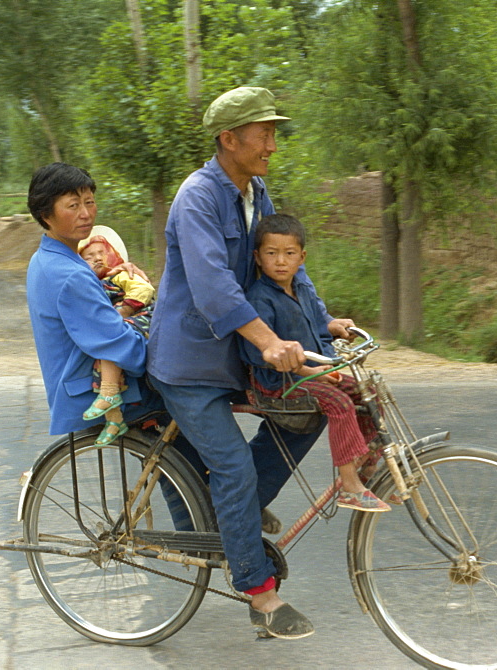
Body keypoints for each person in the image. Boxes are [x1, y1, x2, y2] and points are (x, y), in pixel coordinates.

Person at [147, 86, 355, 640]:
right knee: (234, 468)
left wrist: (322, 321)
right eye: (263, 132)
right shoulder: (197, 196)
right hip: (190, 361)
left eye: (273, 132)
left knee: (308, 412)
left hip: (235, 355)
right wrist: (268, 342)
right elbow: (214, 287)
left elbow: (286, 266)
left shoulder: (255, 190)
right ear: (229, 138)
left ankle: (229, 521)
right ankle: (260, 594)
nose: (272, 143)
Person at [241, 214, 390, 512]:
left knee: (369, 392)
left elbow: (317, 318)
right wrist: (310, 373)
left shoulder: (302, 288)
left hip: (312, 374)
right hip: (280, 383)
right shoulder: (259, 299)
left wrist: (333, 325)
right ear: (257, 258)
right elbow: (260, 353)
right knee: (339, 402)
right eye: (271, 254)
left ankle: (366, 464)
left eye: (289, 254)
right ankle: (349, 486)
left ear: (302, 257)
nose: (281, 261)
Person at [26, 164, 148, 438]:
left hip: (73, 385)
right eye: (73, 206)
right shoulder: (68, 274)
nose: (85, 214)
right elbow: (119, 343)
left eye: (89, 203)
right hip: (89, 394)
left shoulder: (47, 258)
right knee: (198, 401)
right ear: (46, 215)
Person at [76, 226, 156, 445]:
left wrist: (123, 312)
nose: (97, 259)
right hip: (120, 323)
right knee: (101, 363)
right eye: (89, 256)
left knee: (112, 341)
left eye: (101, 253)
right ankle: (114, 419)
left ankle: (109, 393)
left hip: (141, 317)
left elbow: (144, 290)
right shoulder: (92, 283)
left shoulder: (120, 274)